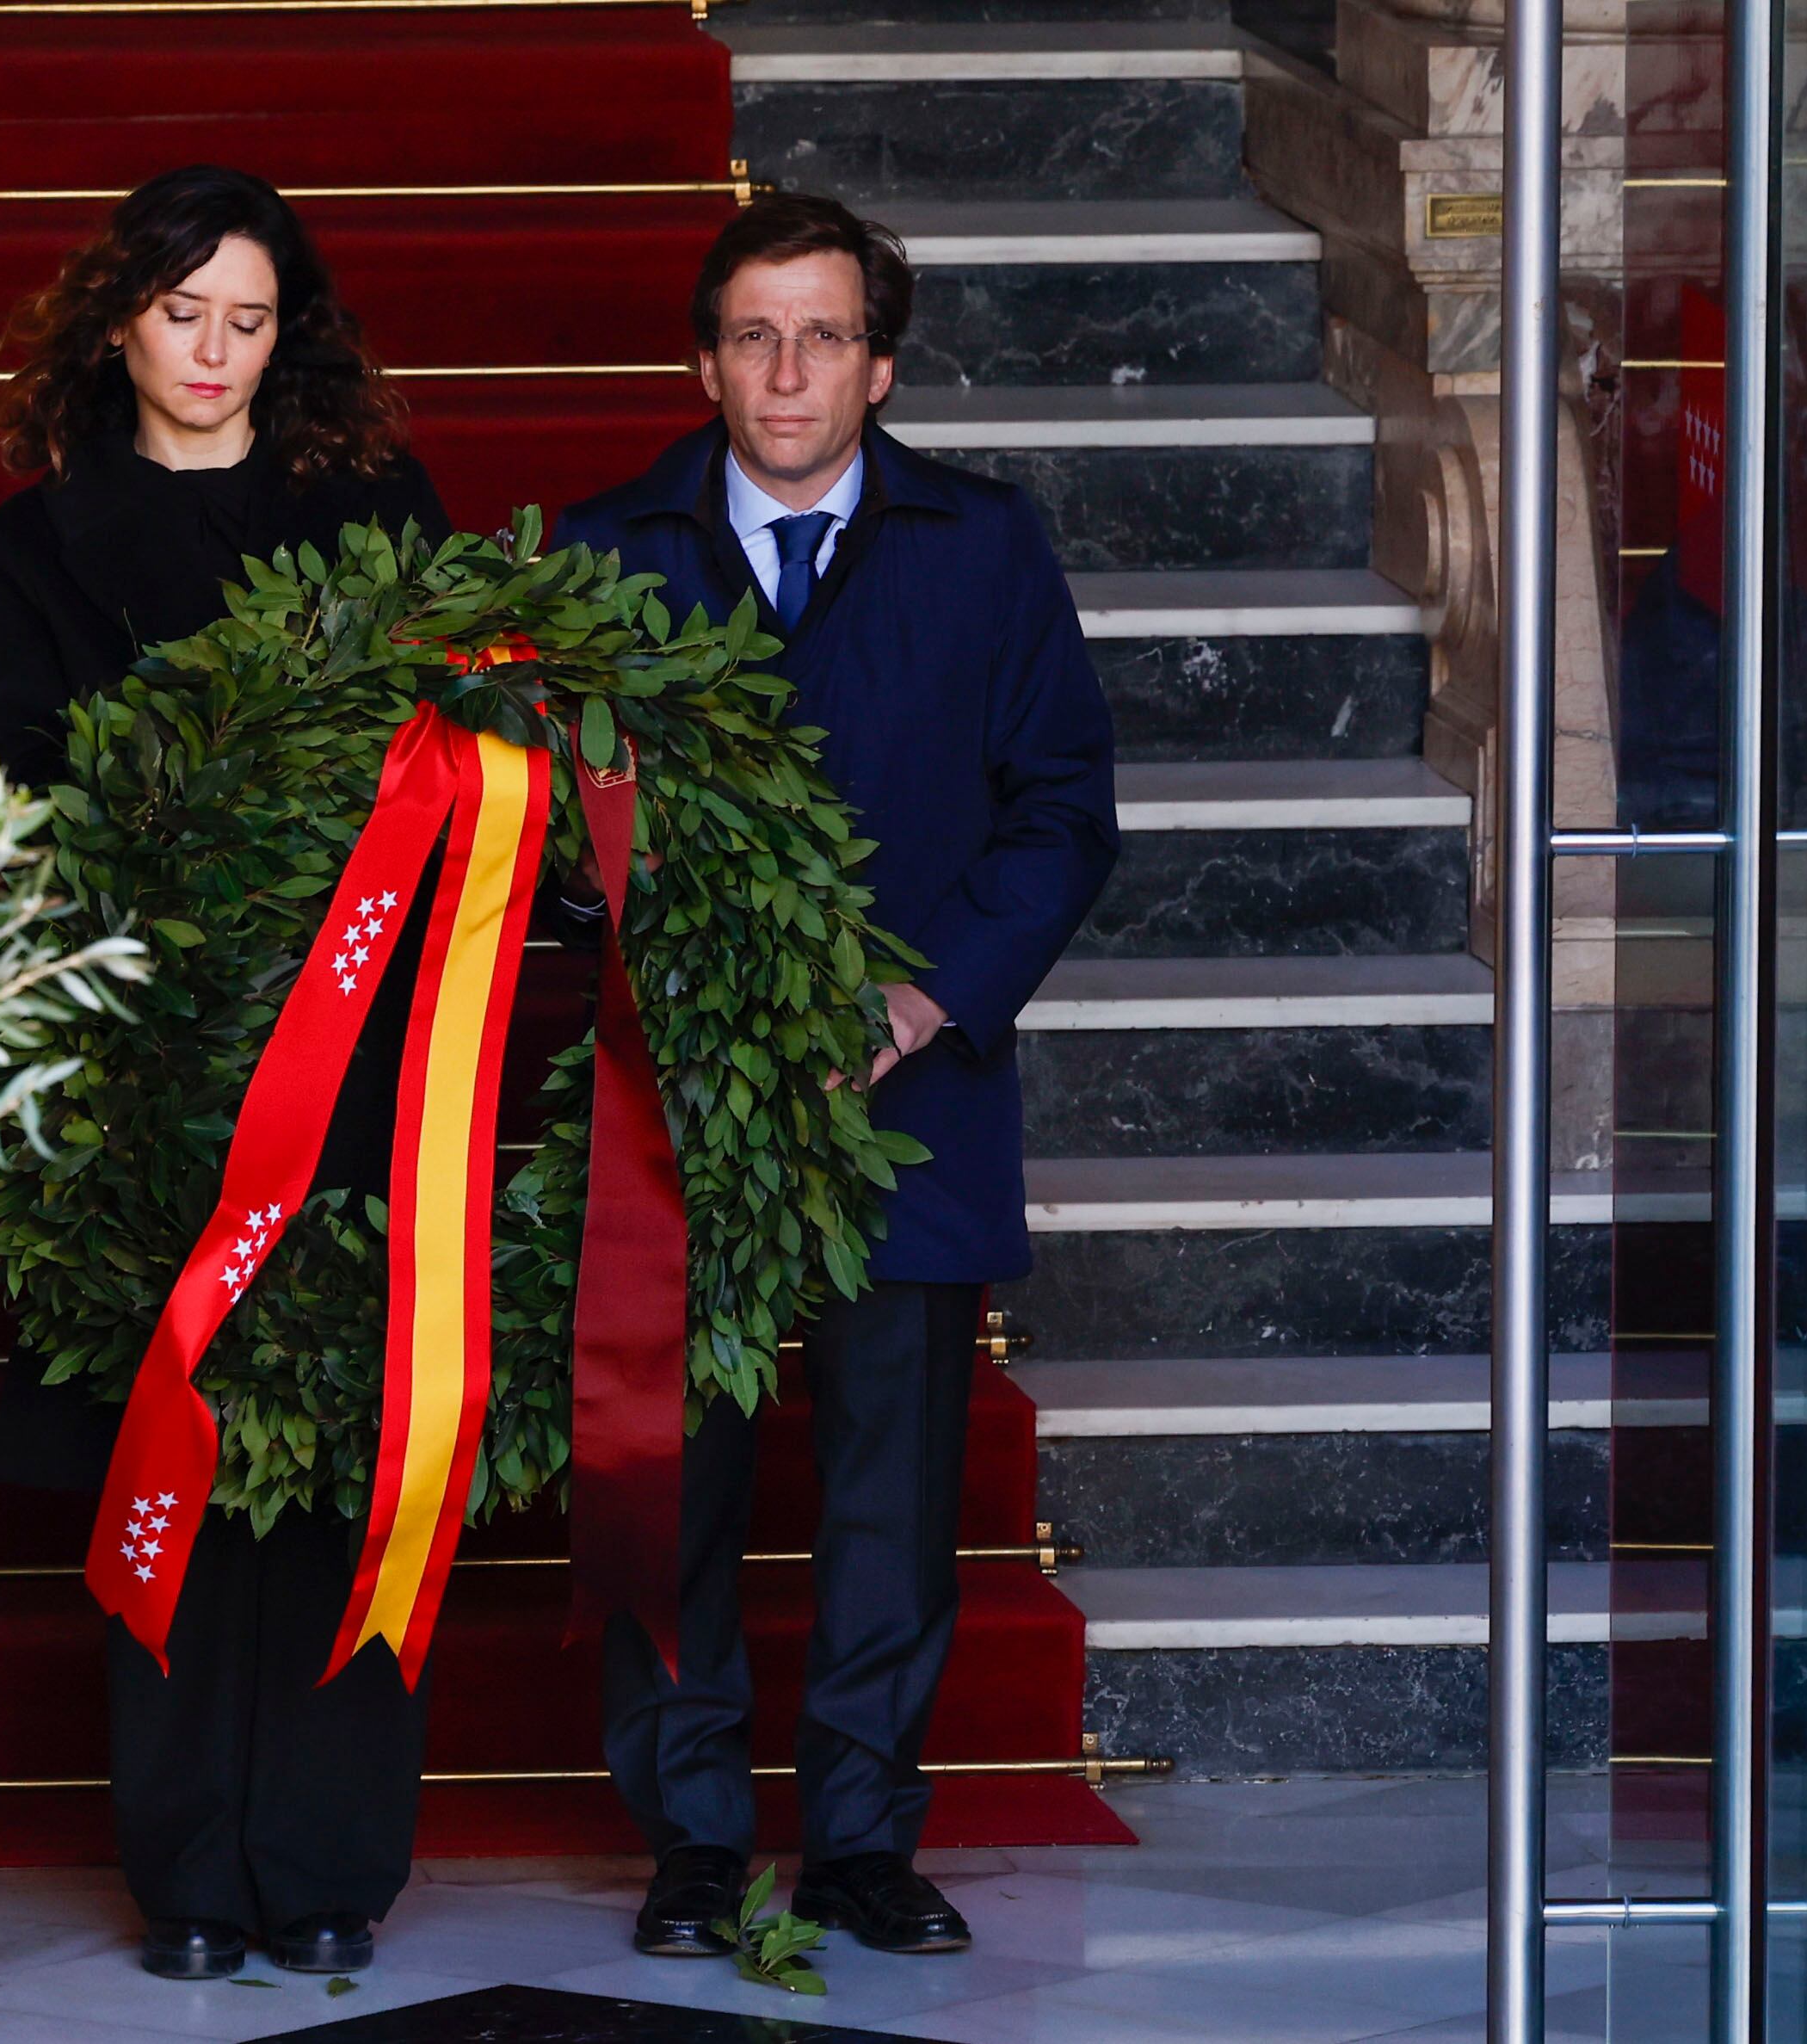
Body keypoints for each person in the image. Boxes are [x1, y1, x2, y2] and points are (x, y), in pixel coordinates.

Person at [552, 192, 1119, 1959]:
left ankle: (862, 1841)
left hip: (908, 1097)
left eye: (820, 336)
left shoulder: (982, 547)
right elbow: (543, 836)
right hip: (678, 1102)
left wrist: (926, 997)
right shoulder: (599, 552)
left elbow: (1060, 814)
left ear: (878, 365)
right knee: (674, 1493)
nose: (782, 369)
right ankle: (692, 1841)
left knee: (888, 1502)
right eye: (747, 334)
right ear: (701, 360)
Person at [0, 163, 450, 1984]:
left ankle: (332, 1863)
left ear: (291, 334)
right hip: (151, 1077)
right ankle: (188, 1876)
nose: (210, 350)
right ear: (120, 320)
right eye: (182, 314)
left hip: (352, 1064)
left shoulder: (375, 510)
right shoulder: (38, 541)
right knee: (167, 1451)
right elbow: (25, 801)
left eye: (247, 319)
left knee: (340, 1456)